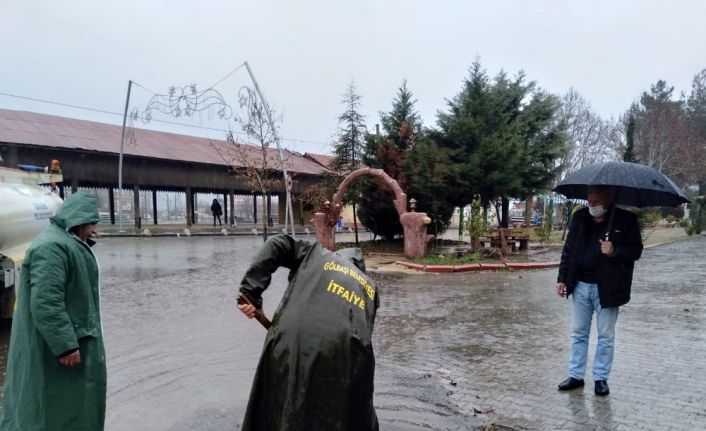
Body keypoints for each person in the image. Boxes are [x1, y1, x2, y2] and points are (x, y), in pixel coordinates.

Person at [237, 235, 379, 430]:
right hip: (347, 352)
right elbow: (364, 335)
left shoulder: (318, 253)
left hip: (293, 340)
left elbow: (277, 244)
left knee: (284, 401)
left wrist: (250, 293)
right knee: (337, 408)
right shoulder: (370, 287)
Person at [0, 190, 106, 430]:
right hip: (53, 350)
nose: (93, 229)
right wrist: (66, 345)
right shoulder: (53, 248)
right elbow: (46, 301)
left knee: (66, 405)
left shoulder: (65, 243)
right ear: (80, 219)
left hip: (68, 341)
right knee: (49, 405)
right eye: (91, 223)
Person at [555, 186, 643, 396]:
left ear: (607, 199)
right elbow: (568, 249)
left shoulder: (625, 219)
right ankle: (576, 375)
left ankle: (600, 378)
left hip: (609, 287)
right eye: (589, 202)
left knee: (605, 336)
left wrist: (615, 251)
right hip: (581, 285)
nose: (591, 206)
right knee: (578, 333)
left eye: (595, 202)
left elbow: (636, 251)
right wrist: (562, 279)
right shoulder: (580, 217)